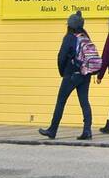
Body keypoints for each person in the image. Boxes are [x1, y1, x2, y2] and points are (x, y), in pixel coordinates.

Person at [39, 12, 95, 140]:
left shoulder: (69, 37)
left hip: (71, 74)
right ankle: (87, 130)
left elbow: (61, 56)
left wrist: (63, 72)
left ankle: (52, 130)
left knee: (61, 101)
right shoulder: (85, 37)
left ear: (69, 25)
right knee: (84, 102)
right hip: (85, 74)